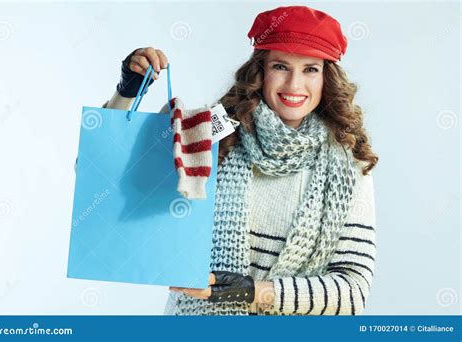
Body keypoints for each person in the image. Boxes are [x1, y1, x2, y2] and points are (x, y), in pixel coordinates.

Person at [103, 5, 379, 315]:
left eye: (310, 69)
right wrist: (126, 92)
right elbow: (108, 179)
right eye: (281, 66)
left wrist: (251, 293)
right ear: (260, 71)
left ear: (327, 77)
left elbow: (353, 292)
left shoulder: (350, 167)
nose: (294, 85)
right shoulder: (212, 134)